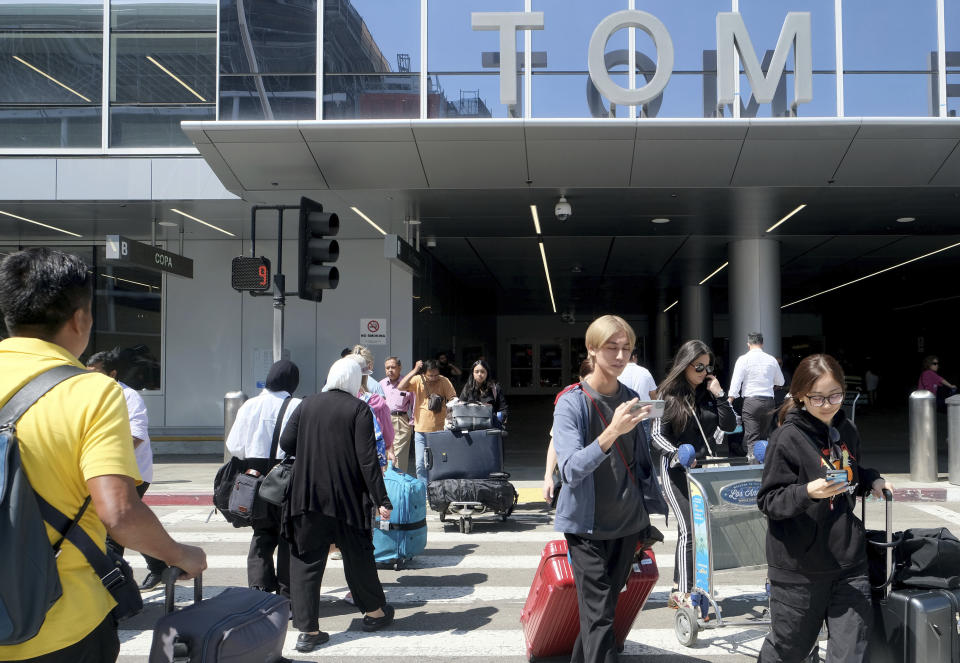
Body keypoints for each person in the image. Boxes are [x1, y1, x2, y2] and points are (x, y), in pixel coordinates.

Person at [0, 248, 206, 663]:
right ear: (80, 319)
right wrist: (182, 556)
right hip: (59, 624)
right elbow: (119, 513)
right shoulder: (92, 392)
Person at [757, 354, 894, 662]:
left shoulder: (847, 432)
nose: (828, 404)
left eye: (835, 395)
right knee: (788, 650)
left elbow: (851, 474)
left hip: (849, 562)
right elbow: (769, 500)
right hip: (799, 569)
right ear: (801, 397)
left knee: (851, 652)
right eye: (817, 397)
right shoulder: (786, 438)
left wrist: (872, 479)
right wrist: (808, 491)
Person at [552, 315, 667, 663]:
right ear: (591, 350)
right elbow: (570, 470)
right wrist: (610, 432)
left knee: (601, 614)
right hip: (587, 528)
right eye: (611, 347)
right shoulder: (571, 402)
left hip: (626, 524)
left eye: (626, 348)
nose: (620, 356)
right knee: (600, 616)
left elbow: (638, 462)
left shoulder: (631, 397)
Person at [279, 358, 395, 653]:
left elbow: (286, 441)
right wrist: (381, 498)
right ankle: (374, 614)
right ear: (354, 381)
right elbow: (367, 460)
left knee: (306, 561)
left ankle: (308, 632)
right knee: (358, 555)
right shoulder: (358, 408)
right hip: (347, 498)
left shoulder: (306, 404)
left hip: (306, 495)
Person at [651, 340, 737, 609]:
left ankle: (682, 584)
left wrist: (720, 394)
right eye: (698, 366)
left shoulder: (709, 394)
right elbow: (655, 436)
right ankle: (685, 593)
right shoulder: (665, 395)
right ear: (684, 365)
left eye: (707, 366)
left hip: (704, 470)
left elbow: (730, 424)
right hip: (676, 471)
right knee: (689, 529)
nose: (703, 371)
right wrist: (677, 454)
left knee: (702, 531)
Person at [86, 348, 169, 592]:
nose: (91, 378)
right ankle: (158, 567)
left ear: (112, 374)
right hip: (101, 471)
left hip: (132, 472)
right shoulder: (87, 395)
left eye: (96, 373)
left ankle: (115, 587)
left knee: (115, 527)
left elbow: (137, 434)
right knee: (125, 524)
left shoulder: (128, 396)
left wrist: (111, 457)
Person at [224, 359, 301, 597]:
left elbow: (234, 446)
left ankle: (261, 591)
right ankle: (288, 595)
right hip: (288, 476)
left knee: (261, 534)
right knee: (288, 535)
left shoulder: (249, 405)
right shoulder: (297, 405)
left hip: (254, 477)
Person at [397, 358, 457, 484]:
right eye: (430, 375)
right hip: (420, 430)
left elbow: (453, 398)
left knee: (439, 462)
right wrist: (415, 370)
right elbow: (401, 386)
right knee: (420, 464)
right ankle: (424, 491)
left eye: (436, 375)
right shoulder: (418, 379)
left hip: (440, 430)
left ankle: (437, 489)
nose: (434, 378)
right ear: (424, 374)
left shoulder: (444, 380)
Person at [542, 358, 593, 504]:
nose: (593, 385)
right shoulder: (569, 402)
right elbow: (556, 440)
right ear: (580, 379)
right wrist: (548, 476)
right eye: (589, 380)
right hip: (576, 476)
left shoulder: (613, 401)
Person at [727, 332, 784, 461]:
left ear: (748, 344)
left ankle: (753, 466)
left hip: (751, 402)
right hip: (769, 402)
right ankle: (764, 467)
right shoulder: (771, 360)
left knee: (752, 436)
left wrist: (731, 398)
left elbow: (736, 381)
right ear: (762, 343)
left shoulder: (743, 359)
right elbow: (781, 382)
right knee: (764, 436)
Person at [380, 356, 415, 474]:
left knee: (399, 456)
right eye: (387, 368)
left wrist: (412, 422)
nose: (390, 370)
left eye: (393, 367)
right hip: (384, 421)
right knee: (384, 455)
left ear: (399, 368)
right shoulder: (381, 384)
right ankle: (387, 486)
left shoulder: (407, 383)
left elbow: (414, 404)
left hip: (401, 421)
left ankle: (399, 485)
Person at [459, 358, 509, 426]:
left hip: (490, 426)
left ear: (487, 373)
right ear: (473, 373)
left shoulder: (495, 388)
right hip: (471, 427)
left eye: (482, 372)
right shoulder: (468, 388)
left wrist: (498, 420)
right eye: (476, 372)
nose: (479, 374)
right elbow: (460, 407)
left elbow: (503, 409)